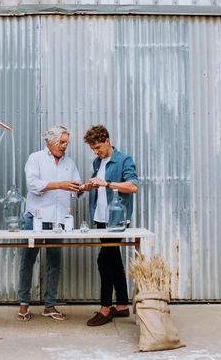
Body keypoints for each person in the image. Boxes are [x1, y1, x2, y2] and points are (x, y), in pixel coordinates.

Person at [17, 125, 81, 322]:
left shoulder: (69, 162)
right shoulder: (35, 158)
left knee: (54, 263)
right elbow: (33, 185)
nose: (64, 147)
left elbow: (75, 186)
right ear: (50, 142)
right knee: (28, 260)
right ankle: (23, 305)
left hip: (58, 220)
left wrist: (81, 189)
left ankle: (50, 306)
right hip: (35, 218)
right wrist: (59, 184)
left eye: (66, 143)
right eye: (61, 142)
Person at [79, 125, 139, 326]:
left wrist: (107, 183)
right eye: (93, 149)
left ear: (106, 140)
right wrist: (89, 187)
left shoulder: (124, 160)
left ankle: (105, 309)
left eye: (97, 147)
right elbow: (100, 188)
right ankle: (121, 305)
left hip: (116, 221)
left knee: (104, 261)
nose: (96, 152)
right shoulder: (98, 161)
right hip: (100, 219)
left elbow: (133, 186)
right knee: (114, 259)